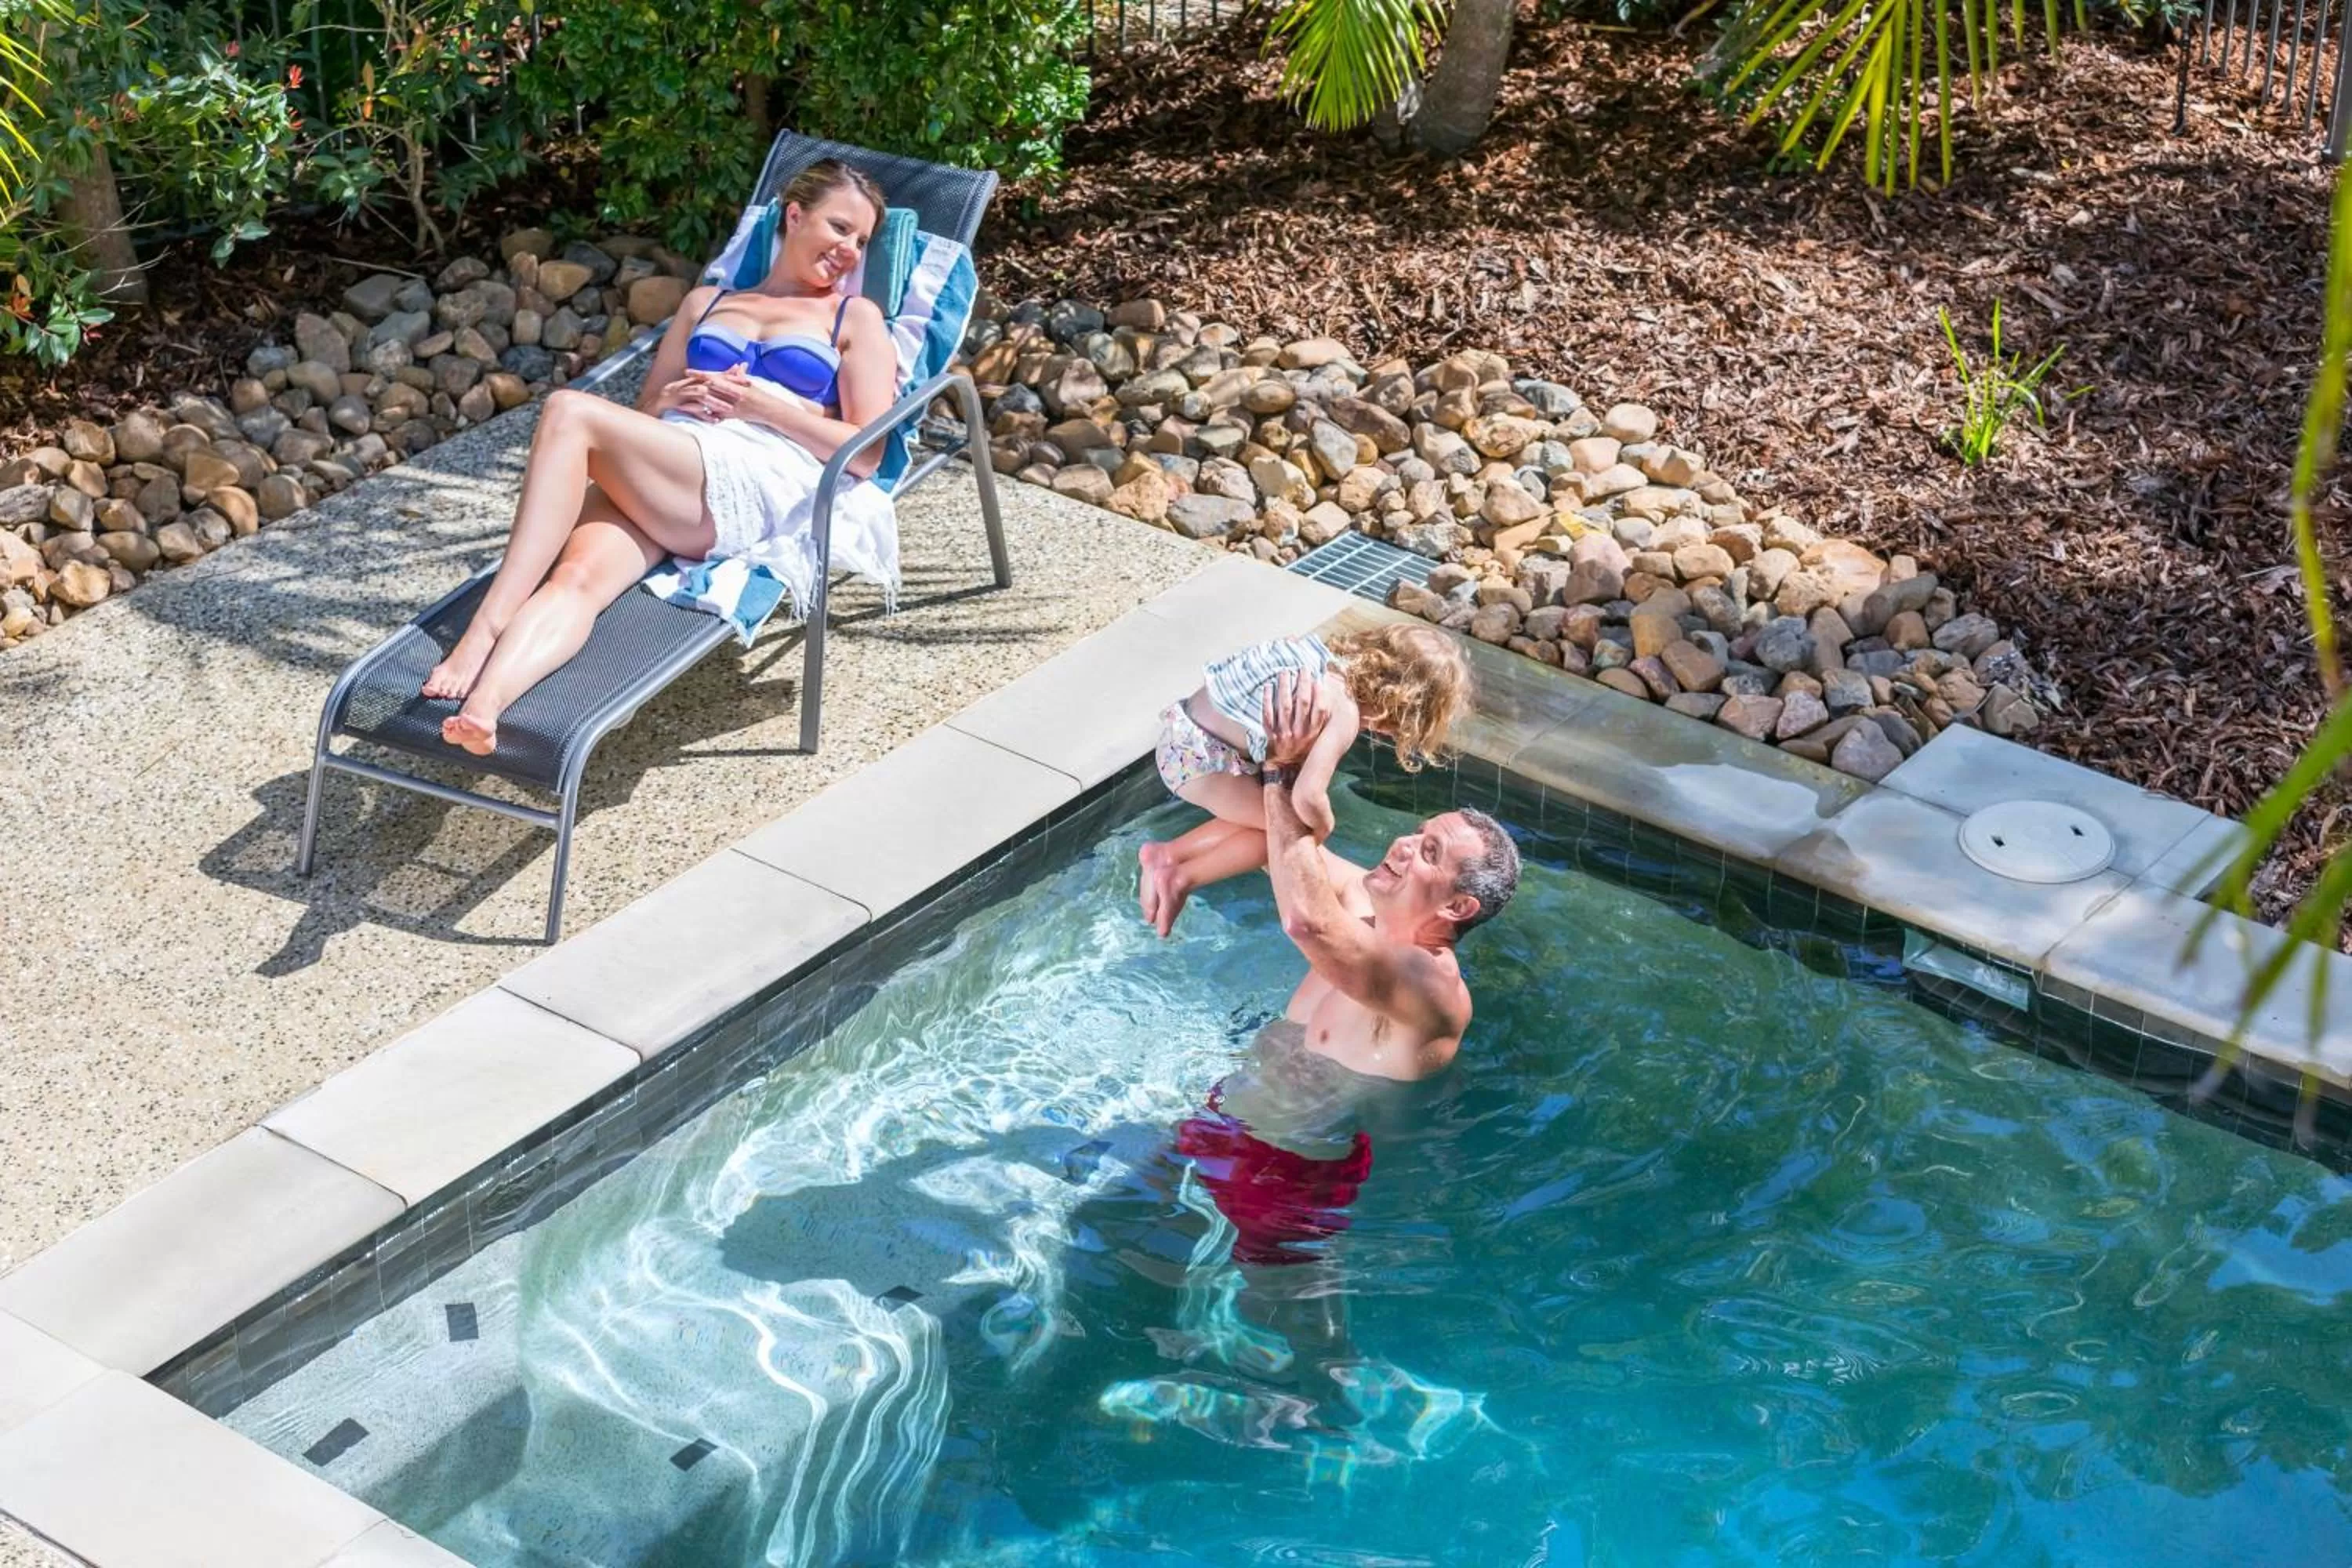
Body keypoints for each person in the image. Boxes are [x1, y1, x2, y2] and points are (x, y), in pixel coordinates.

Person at [419, 158, 901, 755]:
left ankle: (486, 626)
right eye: (839, 228)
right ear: (794, 215)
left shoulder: (852, 318)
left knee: (570, 411)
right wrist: (672, 397)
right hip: (670, 466)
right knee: (575, 579)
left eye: (862, 240)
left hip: (750, 474)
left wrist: (766, 409)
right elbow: (648, 410)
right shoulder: (706, 302)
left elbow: (867, 454)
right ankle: (485, 708)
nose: (850, 250)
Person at [1138, 622, 1472, 937]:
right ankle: (1180, 876)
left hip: (1182, 733)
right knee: (1287, 834)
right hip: (1201, 765)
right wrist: (1324, 826)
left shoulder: (1317, 658)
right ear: (1399, 708)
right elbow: (1308, 797)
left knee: (1265, 819)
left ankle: (1167, 855)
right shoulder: (1344, 712)